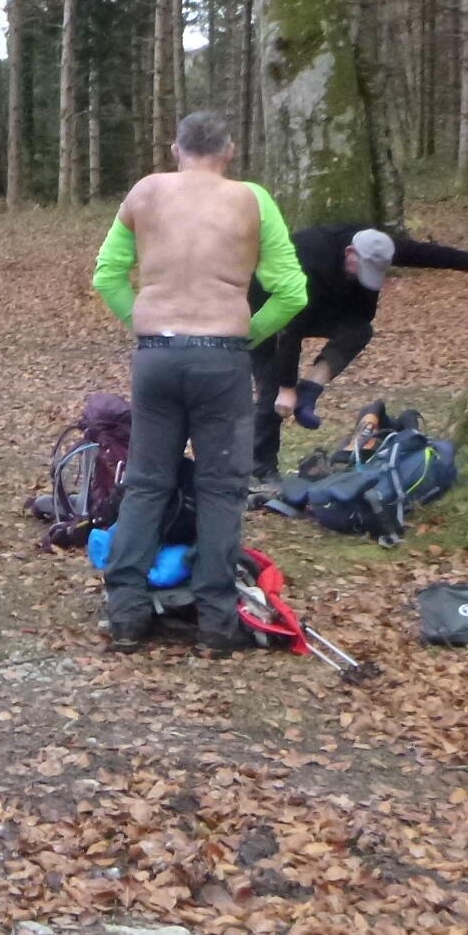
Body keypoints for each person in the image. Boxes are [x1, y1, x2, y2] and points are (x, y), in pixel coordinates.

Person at [91, 111, 308, 656]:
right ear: (229, 150)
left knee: (147, 483)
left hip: (157, 358)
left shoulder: (145, 193)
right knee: (221, 487)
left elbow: (107, 275)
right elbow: (292, 291)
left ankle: (126, 614)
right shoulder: (253, 200)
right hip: (222, 360)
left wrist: (144, 325)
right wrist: (245, 336)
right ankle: (215, 622)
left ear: (175, 149)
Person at [249, 224, 468, 480]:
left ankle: (309, 390)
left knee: (358, 330)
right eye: (363, 269)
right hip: (268, 312)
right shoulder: (310, 257)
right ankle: (261, 469)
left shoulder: (376, 246)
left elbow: (423, 253)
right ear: (350, 253)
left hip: (319, 306)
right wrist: (286, 388)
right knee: (272, 391)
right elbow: (289, 331)